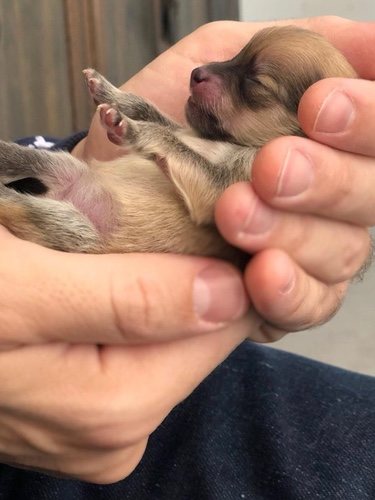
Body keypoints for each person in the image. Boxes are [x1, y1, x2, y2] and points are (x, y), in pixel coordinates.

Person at [0, 15, 374, 499]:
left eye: (253, 83)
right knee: (43, 163)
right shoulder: (226, 144)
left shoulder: (256, 168)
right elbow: (168, 138)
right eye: (233, 60)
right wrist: (124, 108)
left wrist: (146, 134)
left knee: (35, 202)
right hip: (89, 198)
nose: (209, 71)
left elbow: (202, 185)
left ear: (301, 129)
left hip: (96, 232)